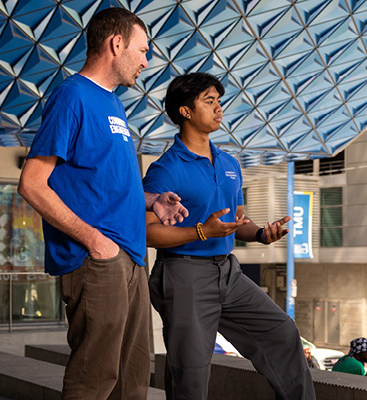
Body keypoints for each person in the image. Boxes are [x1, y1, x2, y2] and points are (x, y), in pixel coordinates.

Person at [17, 7, 188, 399]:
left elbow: (104, 183)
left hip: (131, 258)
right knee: (94, 381)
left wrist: (153, 201)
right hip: (98, 262)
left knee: (132, 380)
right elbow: (32, 184)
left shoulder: (113, 104)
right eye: (142, 50)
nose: (146, 61)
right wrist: (95, 242)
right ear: (116, 44)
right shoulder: (72, 96)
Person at [143, 72, 315, 400]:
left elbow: (238, 219)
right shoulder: (166, 169)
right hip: (184, 274)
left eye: (219, 101)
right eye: (209, 102)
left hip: (229, 273)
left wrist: (262, 233)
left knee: (282, 332)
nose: (219, 108)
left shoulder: (229, 164)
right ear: (185, 111)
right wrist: (200, 231)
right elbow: (147, 232)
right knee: (190, 375)